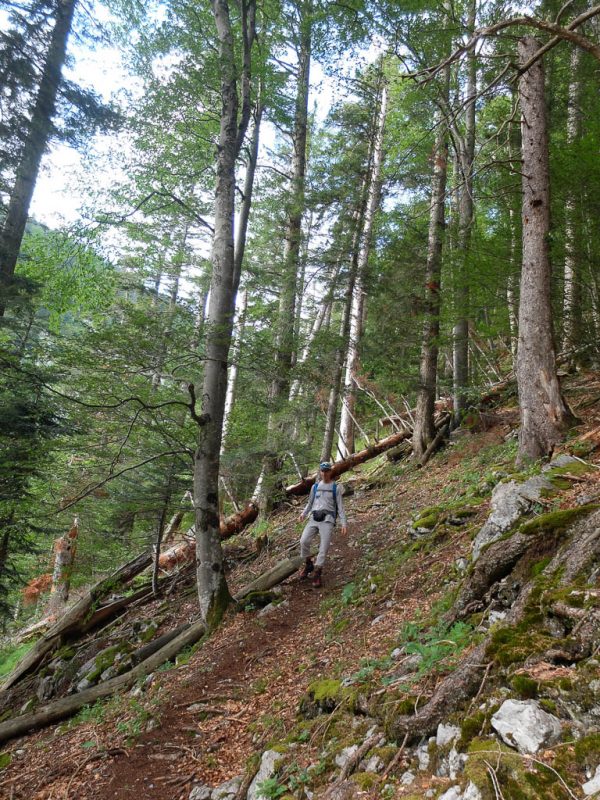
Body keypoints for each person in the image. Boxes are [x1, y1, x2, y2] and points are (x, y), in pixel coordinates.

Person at [298, 461, 348, 588]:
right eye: (323, 471)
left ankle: (317, 572)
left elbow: (340, 507)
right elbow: (310, 503)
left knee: (323, 547)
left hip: (328, 520)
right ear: (320, 472)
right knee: (304, 541)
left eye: (327, 471)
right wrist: (303, 514)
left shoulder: (336, 488)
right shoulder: (315, 487)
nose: (325, 473)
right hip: (314, 518)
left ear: (330, 472)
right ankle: (308, 564)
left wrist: (343, 523)